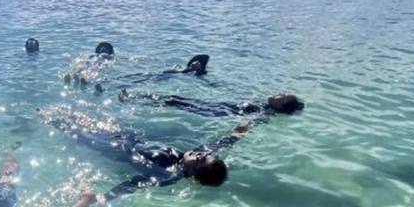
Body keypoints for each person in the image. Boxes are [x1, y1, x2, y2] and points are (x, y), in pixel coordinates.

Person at [40, 108, 229, 198]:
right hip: (127, 138)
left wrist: (106, 198)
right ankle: (60, 116)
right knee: (83, 121)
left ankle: (46, 119)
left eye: (200, 160)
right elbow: (213, 146)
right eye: (202, 155)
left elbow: (135, 184)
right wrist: (236, 135)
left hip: (115, 150)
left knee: (76, 132)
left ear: (194, 173)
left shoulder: (167, 174)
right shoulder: (183, 158)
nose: (199, 154)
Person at [118, 91, 304, 117]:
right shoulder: (263, 106)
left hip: (217, 112)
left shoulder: (264, 113)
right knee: (175, 98)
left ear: (280, 106)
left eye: (282, 97)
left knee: (173, 102)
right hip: (216, 106)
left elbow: (250, 123)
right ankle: (135, 97)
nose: (279, 94)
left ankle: (133, 100)